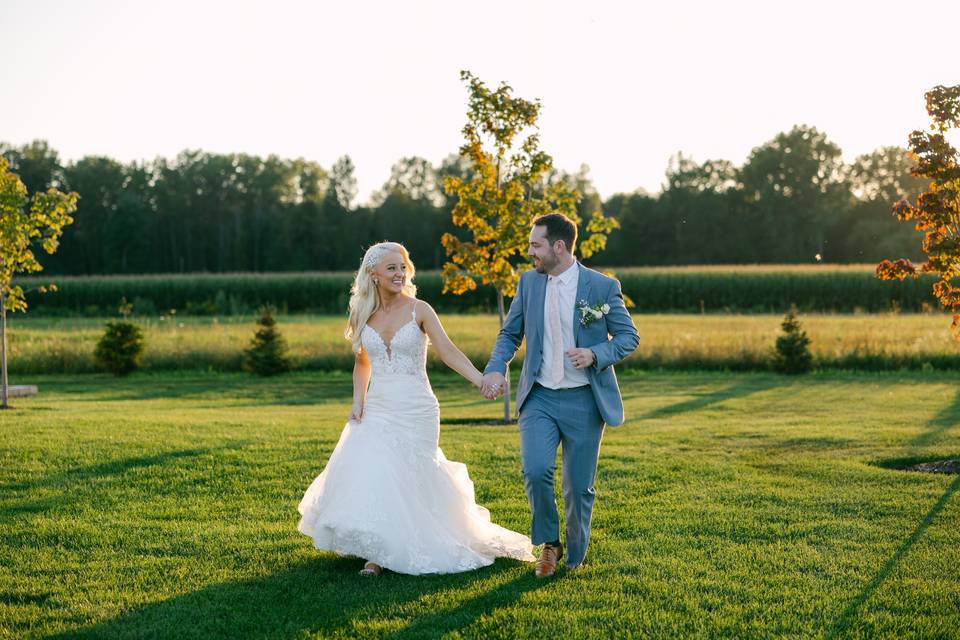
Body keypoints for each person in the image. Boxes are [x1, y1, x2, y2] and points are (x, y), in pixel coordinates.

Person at [297, 242, 535, 576]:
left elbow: (448, 352)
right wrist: (357, 400)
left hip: (417, 408)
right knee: (379, 472)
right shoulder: (362, 313)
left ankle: (422, 538)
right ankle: (377, 554)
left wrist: (481, 380)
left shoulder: (420, 310)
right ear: (373, 274)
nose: (399, 273)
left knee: (413, 476)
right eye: (391, 268)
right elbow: (362, 363)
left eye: (403, 267)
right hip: (378, 407)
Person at [480, 213, 640, 577]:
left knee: (578, 487)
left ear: (559, 246)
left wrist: (596, 354)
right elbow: (510, 334)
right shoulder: (528, 284)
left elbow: (629, 337)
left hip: (585, 399)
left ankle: (575, 554)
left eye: (536, 245)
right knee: (536, 470)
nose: (530, 252)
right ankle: (549, 544)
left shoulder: (601, 287)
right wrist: (496, 366)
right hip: (540, 396)